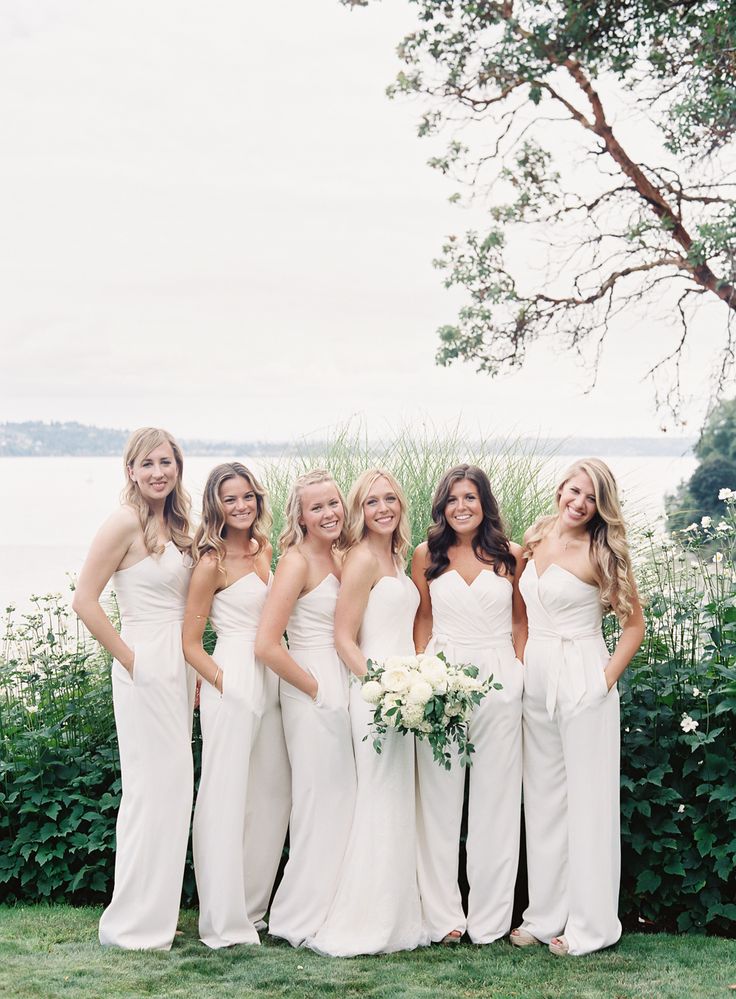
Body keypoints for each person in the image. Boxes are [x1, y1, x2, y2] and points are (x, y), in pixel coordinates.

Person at [510, 458, 644, 957]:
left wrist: (602, 681)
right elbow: (520, 611)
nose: (578, 502)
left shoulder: (603, 550)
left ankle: (590, 926)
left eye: (589, 497)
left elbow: (633, 626)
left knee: (588, 803)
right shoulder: (537, 534)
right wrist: (524, 658)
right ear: (561, 488)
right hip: (537, 675)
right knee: (543, 799)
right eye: (573, 490)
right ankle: (544, 916)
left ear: (600, 506)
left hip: (582, 672)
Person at [72, 427, 195, 950]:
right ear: (131, 471)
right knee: (150, 790)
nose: (157, 472)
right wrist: (130, 659)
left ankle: (157, 916)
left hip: (179, 665)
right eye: (147, 464)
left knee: (175, 791)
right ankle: (133, 923)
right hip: (143, 661)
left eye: (165, 462)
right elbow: (85, 600)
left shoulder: (183, 524)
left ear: (177, 466)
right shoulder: (123, 522)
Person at [309, 469, 429, 956]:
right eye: (373, 501)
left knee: (397, 802)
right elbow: (343, 637)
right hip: (377, 696)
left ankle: (399, 916)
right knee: (379, 800)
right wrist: (381, 687)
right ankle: (367, 920)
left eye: (390, 499)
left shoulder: (398, 556)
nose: (383, 508)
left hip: (406, 691)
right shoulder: (360, 559)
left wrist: (417, 682)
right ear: (360, 509)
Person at [412, 464, 527, 944]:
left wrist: (518, 672)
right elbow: (422, 617)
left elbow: (522, 622)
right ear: (442, 505)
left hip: (500, 680)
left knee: (496, 805)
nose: (461, 507)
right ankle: (444, 918)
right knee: (437, 803)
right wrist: (422, 670)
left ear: (485, 504)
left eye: (471, 498)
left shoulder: (511, 555)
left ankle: (490, 920)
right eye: (453, 498)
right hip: (443, 680)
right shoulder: (426, 554)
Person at [182, 462, 290, 948]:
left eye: (247, 496)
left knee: (271, 793)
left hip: (275, 676)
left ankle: (252, 907)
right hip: (234, 678)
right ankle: (222, 918)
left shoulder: (265, 548)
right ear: (216, 505)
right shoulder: (211, 562)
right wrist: (226, 684)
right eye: (231, 499)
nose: (241, 505)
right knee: (225, 796)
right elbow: (191, 644)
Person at [254, 469, 356, 947]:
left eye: (333, 503)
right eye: (317, 508)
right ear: (301, 516)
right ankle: (300, 912)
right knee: (317, 800)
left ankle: (339, 901)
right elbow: (267, 645)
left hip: (345, 683)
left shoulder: (342, 555)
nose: (329, 513)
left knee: (345, 799)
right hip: (310, 686)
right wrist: (316, 689)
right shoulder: (296, 562)